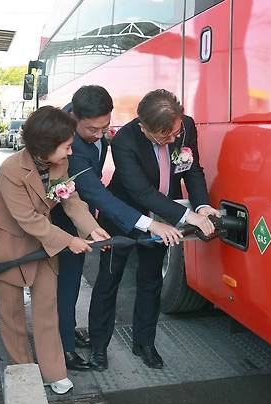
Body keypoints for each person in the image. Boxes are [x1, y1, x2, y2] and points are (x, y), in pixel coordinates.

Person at [0, 106, 110, 394]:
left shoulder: (59, 165)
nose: (71, 152)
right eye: (66, 146)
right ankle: (24, 370)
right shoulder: (10, 171)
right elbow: (28, 219)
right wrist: (69, 240)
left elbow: (71, 199)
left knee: (47, 308)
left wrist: (90, 228)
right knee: (11, 313)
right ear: (44, 146)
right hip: (7, 245)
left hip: (43, 246)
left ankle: (54, 372)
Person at [51, 86, 182, 371]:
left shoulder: (100, 132)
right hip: (93, 219)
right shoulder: (69, 143)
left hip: (126, 218)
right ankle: (85, 348)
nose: (100, 135)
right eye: (93, 130)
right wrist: (144, 224)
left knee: (150, 282)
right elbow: (96, 193)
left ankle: (142, 342)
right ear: (74, 118)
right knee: (94, 284)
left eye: (105, 128)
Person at [88, 89, 221, 371]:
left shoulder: (184, 127)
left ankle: (145, 343)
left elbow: (192, 169)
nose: (173, 139)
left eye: (175, 133)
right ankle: (99, 346)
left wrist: (203, 207)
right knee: (108, 282)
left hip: (163, 216)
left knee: (151, 282)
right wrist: (187, 216)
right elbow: (141, 192)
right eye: (165, 137)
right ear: (143, 127)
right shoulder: (124, 140)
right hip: (124, 217)